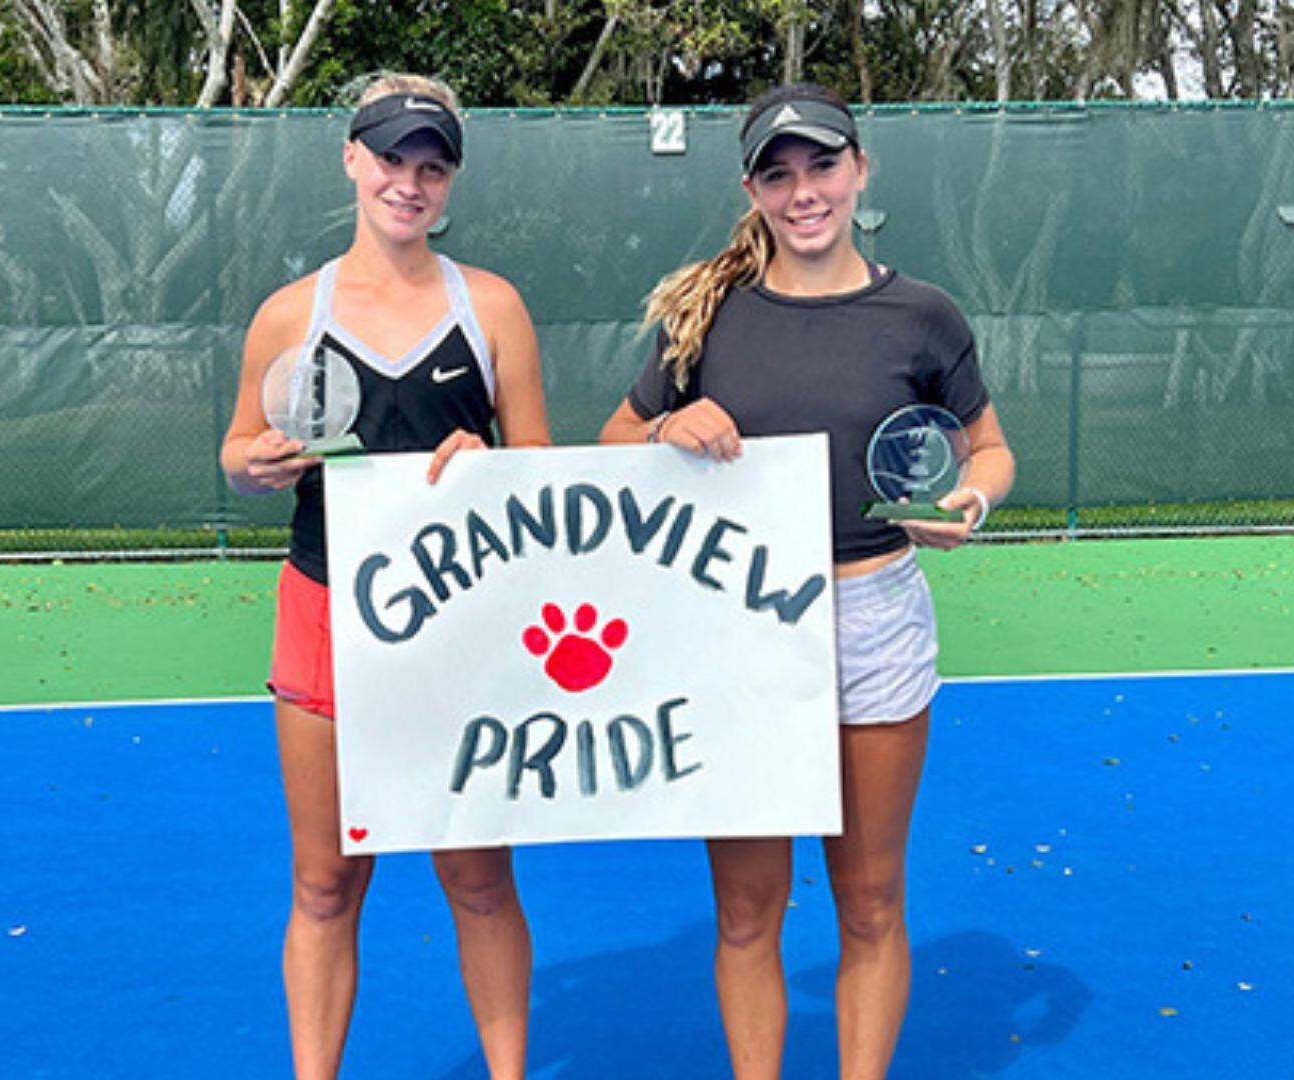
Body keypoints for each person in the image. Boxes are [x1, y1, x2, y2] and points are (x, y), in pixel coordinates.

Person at [601, 83, 1016, 1080]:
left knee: (869, 902)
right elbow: (616, 440)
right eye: (778, 175)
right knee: (746, 911)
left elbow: (990, 449)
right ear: (752, 189)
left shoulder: (923, 316)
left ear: (860, 170)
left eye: (822, 166)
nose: (804, 193)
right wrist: (664, 426)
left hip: (875, 615)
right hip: (733, 625)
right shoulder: (705, 319)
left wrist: (971, 503)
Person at [220, 73, 551, 1080]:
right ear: (351, 158)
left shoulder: (490, 307)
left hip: (462, 623)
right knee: (325, 883)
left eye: (432, 166)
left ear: (447, 183)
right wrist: (256, 464)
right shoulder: (290, 314)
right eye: (392, 158)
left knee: (478, 874)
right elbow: (238, 453)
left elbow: (539, 466)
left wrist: (495, 472)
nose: (409, 183)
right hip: (324, 609)